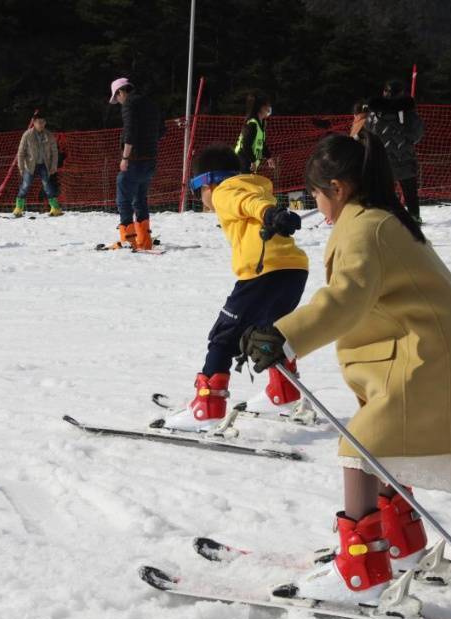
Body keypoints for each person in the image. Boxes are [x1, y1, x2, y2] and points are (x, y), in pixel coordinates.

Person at [240, 130, 451, 606]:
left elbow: (346, 299)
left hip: (429, 356)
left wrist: (284, 334)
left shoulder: (365, 228)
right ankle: (400, 547)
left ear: (338, 188)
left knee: (361, 449)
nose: (314, 206)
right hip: (425, 349)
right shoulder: (379, 218)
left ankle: (363, 570)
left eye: (315, 195)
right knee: (384, 445)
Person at [162, 144, 308, 431]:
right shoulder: (254, 186)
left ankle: (208, 407)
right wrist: (273, 213)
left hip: (263, 272)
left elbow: (246, 203)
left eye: (197, 188)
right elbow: (252, 201)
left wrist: (268, 214)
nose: (202, 198)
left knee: (224, 335)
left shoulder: (225, 190)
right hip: (293, 271)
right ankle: (283, 393)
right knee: (268, 333)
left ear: (209, 182)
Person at [109, 77, 165, 251]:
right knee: (140, 199)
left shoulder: (129, 104)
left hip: (134, 159)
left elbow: (130, 132)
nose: (118, 101)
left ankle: (128, 240)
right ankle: (144, 240)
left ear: (120, 92)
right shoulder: (150, 103)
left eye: (116, 97)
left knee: (123, 198)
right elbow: (162, 130)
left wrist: (125, 158)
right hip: (150, 159)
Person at [366, 80, 424, 223]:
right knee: (410, 191)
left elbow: (369, 132)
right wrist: (406, 142)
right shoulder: (408, 111)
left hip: (382, 159)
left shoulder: (374, 112)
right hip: (404, 157)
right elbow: (417, 133)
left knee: (384, 191)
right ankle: (414, 216)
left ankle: (386, 217)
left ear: (384, 92)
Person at [13, 111, 62, 218]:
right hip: (30, 165)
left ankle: (55, 208)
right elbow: (21, 152)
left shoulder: (49, 135)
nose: (41, 124)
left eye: (43, 122)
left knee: (47, 186)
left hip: (44, 165)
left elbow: (54, 152)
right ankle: (18, 209)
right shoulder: (27, 135)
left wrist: (53, 166)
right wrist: (21, 167)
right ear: (34, 123)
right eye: (39, 122)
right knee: (25, 186)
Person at [234, 93, 275, 173]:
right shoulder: (252, 124)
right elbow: (245, 145)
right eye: (267, 105)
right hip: (241, 161)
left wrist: (269, 157)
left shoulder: (262, 123)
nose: (269, 108)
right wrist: (252, 161)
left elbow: (261, 143)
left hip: (249, 162)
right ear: (261, 107)